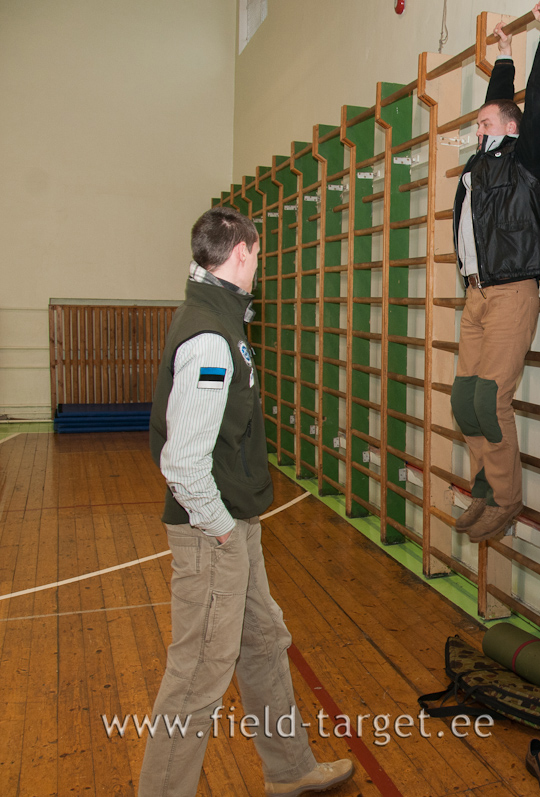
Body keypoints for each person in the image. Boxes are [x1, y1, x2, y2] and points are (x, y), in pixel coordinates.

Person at [141, 207, 353, 797]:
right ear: (241, 253)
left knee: (262, 644)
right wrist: (220, 529)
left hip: (234, 521)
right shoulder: (210, 338)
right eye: (257, 255)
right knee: (196, 678)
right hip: (214, 528)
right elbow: (184, 462)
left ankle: (290, 770)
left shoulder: (217, 315)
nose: (258, 265)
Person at [450, 0, 540, 543]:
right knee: (464, 401)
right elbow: (500, 102)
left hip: (512, 291)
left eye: (485, 124)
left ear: (510, 130)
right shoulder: (480, 164)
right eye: (478, 125)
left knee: (491, 401)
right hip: (476, 293)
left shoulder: (528, 162)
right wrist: (503, 53)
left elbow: (536, 105)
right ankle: (485, 487)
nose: (478, 129)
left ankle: (506, 498)